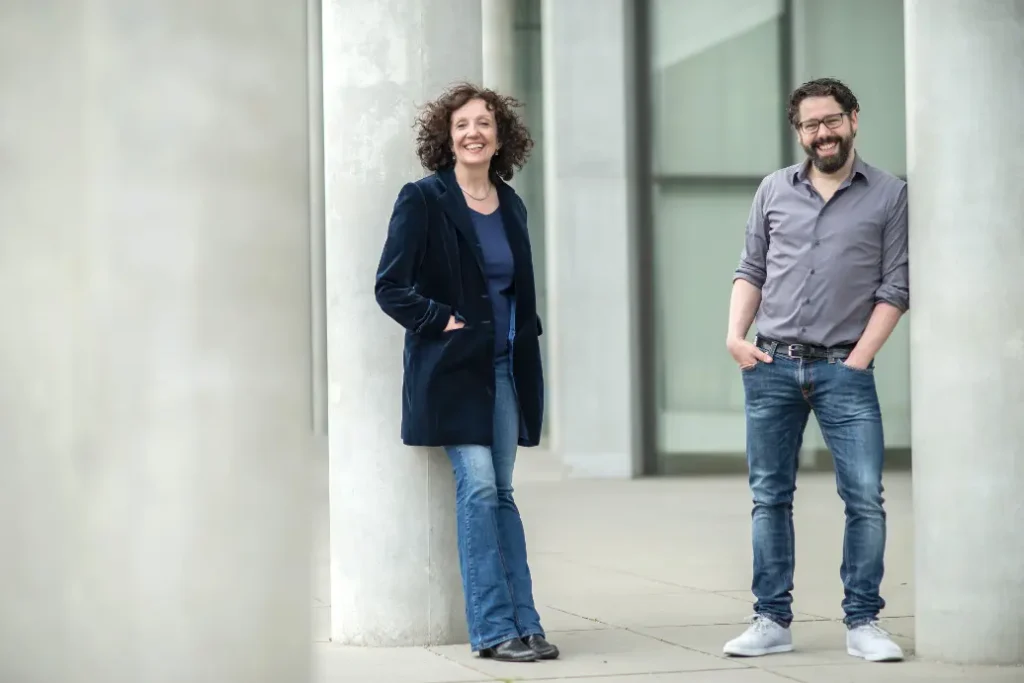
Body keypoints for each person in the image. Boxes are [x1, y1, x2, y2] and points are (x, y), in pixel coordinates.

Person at [723, 78, 908, 663]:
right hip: (771, 363)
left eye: (831, 121)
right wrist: (735, 338)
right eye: (810, 125)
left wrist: (858, 362)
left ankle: (863, 623)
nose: (822, 133)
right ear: (798, 131)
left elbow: (895, 287)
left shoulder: (890, 195)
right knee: (768, 498)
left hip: (844, 369)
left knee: (865, 499)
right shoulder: (773, 189)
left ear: (854, 119)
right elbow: (751, 268)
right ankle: (771, 620)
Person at [374, 83, 556, 663]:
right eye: (462, 125)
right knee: (478, 487)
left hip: (505, 369)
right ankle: (494, 630)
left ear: (500, 136)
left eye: (484, 123)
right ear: (447, 138)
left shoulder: (511, 204)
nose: (473, 133)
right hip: (453, 370)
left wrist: (525, 331)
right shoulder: (423, 199)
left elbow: (515, 288)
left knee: (501, 492)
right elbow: (389, 286)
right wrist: (442, 321)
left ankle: (526, 623)